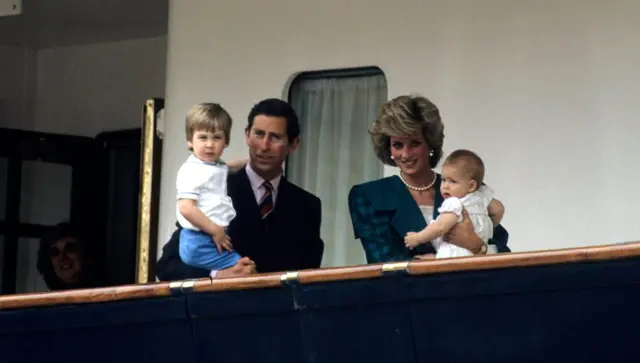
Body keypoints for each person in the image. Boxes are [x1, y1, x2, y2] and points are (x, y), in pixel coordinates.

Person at [156, 98, 324, 281]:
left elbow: (309, 275)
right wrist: (217, 275)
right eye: (259, 134)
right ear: (247, 135)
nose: (264, 146)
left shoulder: (307, 206)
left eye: (275, 137)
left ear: (294, 144)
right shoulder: (214, 188)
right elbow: (168, 265)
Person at [348, 94, 510, 263]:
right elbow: (383, 260)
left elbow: (503, 251)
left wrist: (476, 246)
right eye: (397, 145)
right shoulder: (369, 196)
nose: (405, 154)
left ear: (430, 143)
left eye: (415, 143)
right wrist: (434, 263)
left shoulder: (463, 186)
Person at [176, 102, 251, 274]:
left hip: (208, 237)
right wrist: (215, 230)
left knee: (244, 270)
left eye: (216, 138)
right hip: (199, 240)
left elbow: (226, 168)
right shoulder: (191, 170)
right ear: (189, 141)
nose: (210, 144)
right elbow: (186, 208)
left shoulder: (214, 165)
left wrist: (251, 162)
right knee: (245, 270)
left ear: (226, 142)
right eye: (203, 137)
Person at [404, 149, 505, 258]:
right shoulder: (481, 198)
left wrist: (417, 238)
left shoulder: (455, 203)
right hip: (476, 257)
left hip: (455, 257)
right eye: (443, 180)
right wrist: (486, 224)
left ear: (471, 186)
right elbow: (498, 209)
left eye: (453, 181)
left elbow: (440, 227)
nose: (445, 186)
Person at [36, 222, 101, 291]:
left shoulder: (105, 293)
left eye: (70, 249)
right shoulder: (49, 300)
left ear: (85, 253)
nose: (62, 257)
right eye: (55, 252)